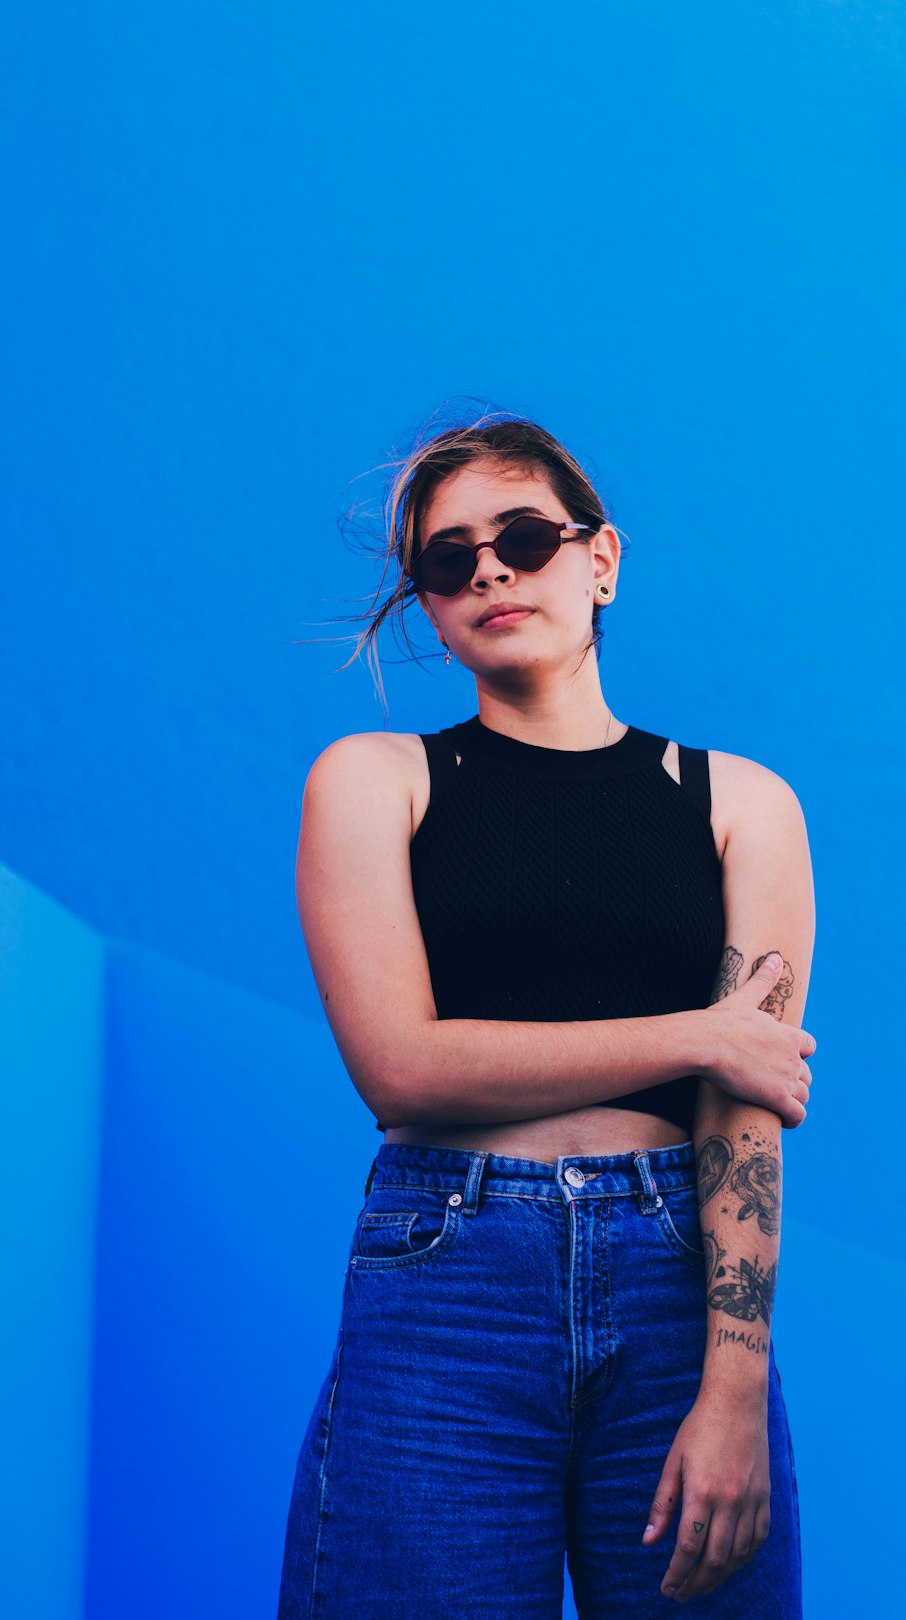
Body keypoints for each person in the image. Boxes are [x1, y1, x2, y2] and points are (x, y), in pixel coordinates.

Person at [276, 411, 817, 1619]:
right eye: (446, 558)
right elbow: (403, 1071)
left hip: (684, 1291)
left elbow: (748, 1114)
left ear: (602, 560)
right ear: (427, 602)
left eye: (523, 535)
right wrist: (694, 1034)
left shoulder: (742, 804)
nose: (489, 570)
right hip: (450, 1285)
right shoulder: (376, 782)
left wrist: (733, 1395)